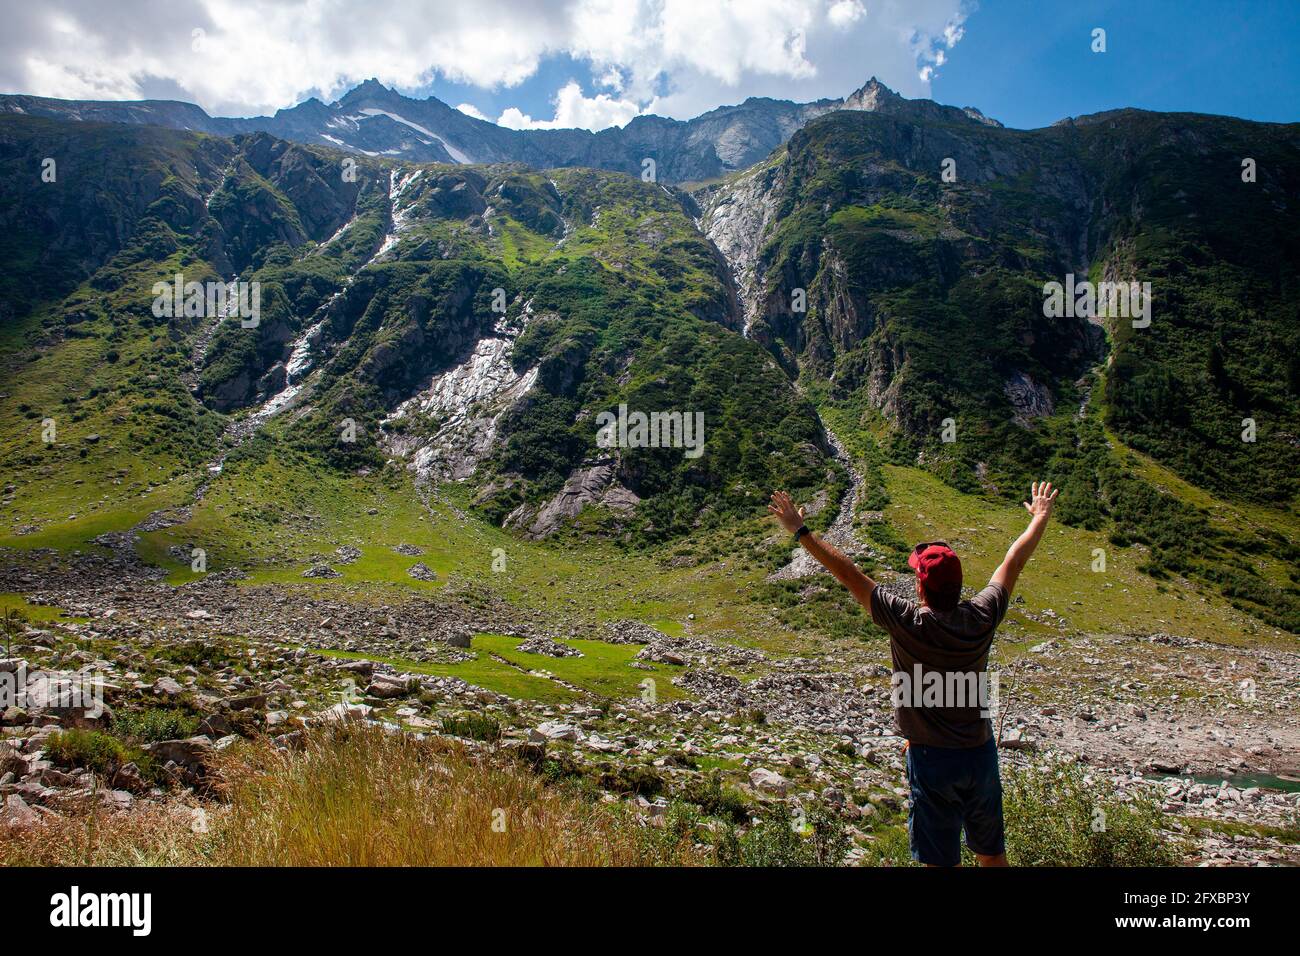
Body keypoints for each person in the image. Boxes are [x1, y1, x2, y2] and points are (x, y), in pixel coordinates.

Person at [767, 481, 1060, 867]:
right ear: (958, 586)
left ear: (920, 584)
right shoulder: (982, 615)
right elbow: (1014, 561)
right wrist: (1039, 517)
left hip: (931, 759)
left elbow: (848, 572)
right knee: (992, 856)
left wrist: (800, 530)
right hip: (979, 755)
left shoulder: (906, 621)